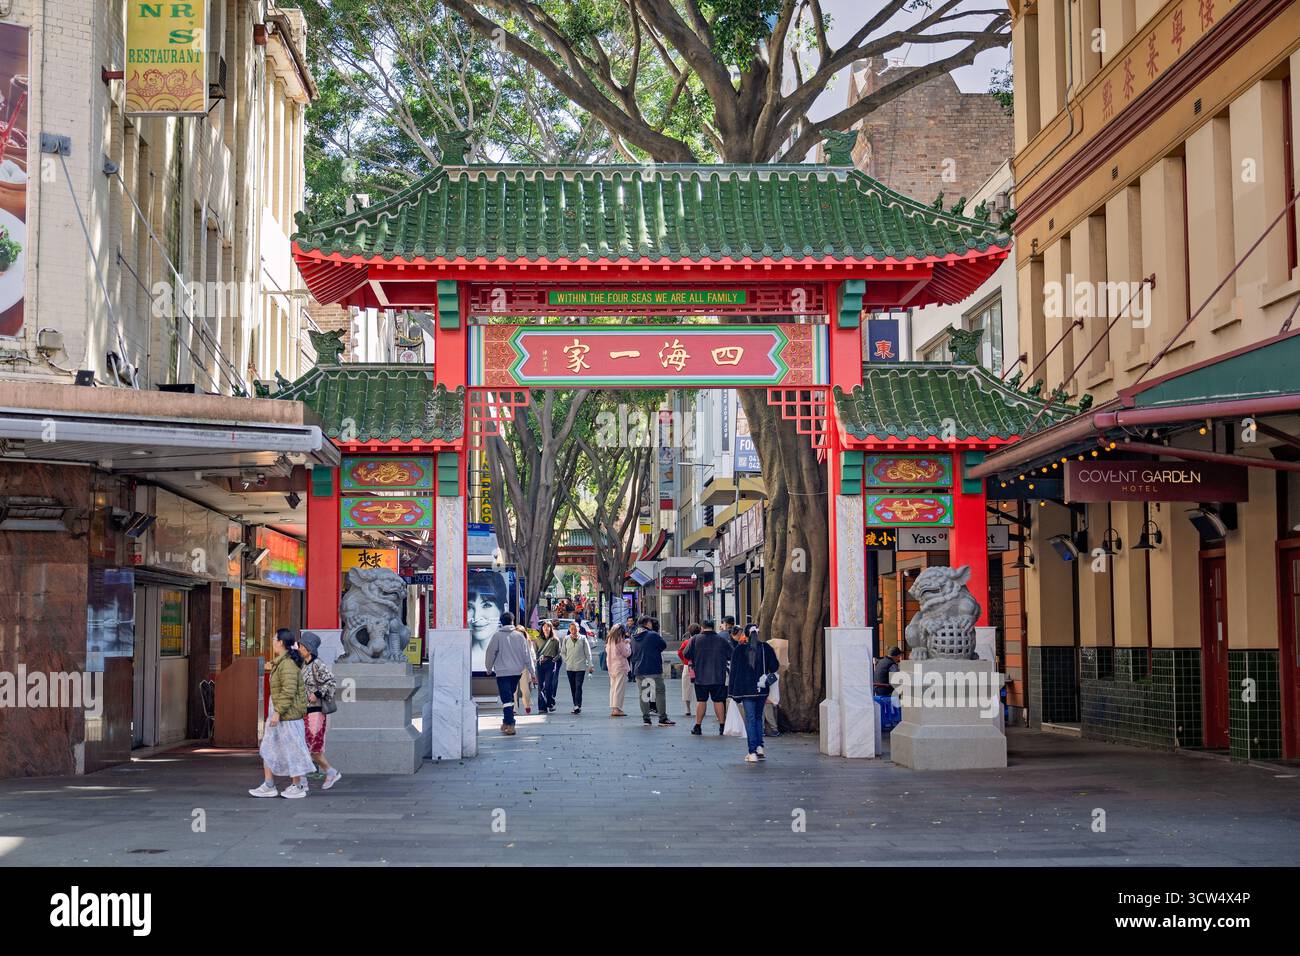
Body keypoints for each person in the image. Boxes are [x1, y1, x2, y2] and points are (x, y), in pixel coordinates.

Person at [248, 629, 315, 798]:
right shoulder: (282, 662)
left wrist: (278, 713)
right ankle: (269, 784)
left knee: (293, 749)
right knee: (268, 748)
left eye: (274, 638)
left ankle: (297, 786)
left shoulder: (287, 664)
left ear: (281, 642)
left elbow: (289, 691)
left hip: (288, 715)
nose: (272, 640)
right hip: (279, 713)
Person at [296, 632, 342, 791]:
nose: (299, 648)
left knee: (309, 747)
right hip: (307, 711)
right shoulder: (305, 664)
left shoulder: (317, 664)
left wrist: (316, 694)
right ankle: (328, 773)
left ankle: (303, 781)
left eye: (302, 646)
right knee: (311, 748)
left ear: (309, 648)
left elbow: (331, 682)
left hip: (315, 712)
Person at [727, 625, 780, 762]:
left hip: (745, 690)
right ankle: (759, 747)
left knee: (750, 719)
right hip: (762, 689)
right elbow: (774, 667)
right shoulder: (766, 648)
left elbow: (734, 672)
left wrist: (732, 692)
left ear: (745, 635)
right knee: (758, 717)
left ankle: (752, 752)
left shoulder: (739, 649)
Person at [484, 612, 536, 736]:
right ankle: (506, 722)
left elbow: (490, 653)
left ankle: (510, 724)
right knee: (509, 698)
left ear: (501, 622)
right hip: (517, 672)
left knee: (506, 699)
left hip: (502, 672)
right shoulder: (520, 636)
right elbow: (527, 655)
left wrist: (489, 668)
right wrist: (532, 672)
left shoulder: (497, 636)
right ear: (512, 621)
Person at [683, 619, 733, 736]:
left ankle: (698, 726)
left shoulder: (695, 639)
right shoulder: (721, 640)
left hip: (700, 676)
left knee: (701, 701)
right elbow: (731, 654)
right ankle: (722, 726)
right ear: (713, 627)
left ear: (702, 627)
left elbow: (686, 654)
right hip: (718, 676)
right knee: (718, 700)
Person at [630, 616, 674, 726]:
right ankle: (662, 718)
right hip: (653, 668)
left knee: (643, 693)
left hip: (639, 669)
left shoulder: (634, 636)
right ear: (647, 623)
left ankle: (646, 718)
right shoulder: (653, 635)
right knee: (659, 692)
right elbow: (663, 645)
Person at [468, 571, 509, 672]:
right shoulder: (460, 653)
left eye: (486, 605)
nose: (477, 616)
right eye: (469, 607)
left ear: (503, 609)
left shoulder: (510, 645)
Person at [562, 621, 594, 714]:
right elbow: (563, 652)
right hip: (570, 667)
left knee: (578, 686)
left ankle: (578, 705)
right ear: (569, 630)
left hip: (580, 667)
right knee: (573, 687)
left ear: (578, 629)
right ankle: (575, 704)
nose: (573, 630)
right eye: (571, 629)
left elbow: (588, 653)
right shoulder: (566, 639)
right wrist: (566, 660)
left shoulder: (583, 638)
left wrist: (590, 665)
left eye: (575, 629)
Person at [534, 620, 562, 713]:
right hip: (540, 664)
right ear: (542, 628)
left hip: (550, 663)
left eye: (548, 627)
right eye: (544, 627)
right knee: (540, 686)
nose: (546, 628)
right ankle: (542, 707)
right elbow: (534, 652)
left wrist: (553, 659)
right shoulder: (537, 639)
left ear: (551, 628)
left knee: (549, 685)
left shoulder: (555, 640)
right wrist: (538, 659)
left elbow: (559, 653)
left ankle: (550, 703)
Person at [605, 623, 632, 716]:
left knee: (613, 688)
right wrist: (628, 644)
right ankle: (617, 709)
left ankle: (613, 708)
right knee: (619, 688)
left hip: (611, 667)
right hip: (620, 667)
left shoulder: (610, 640)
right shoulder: (619, 640)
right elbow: (626, 653)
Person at [513, 625, 537, 715]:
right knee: (513, 690)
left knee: (525, 689)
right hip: (513, 667)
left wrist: (532, 670)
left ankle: (527, 704)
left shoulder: (527, 641)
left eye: (520, 633)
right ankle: (514, 708)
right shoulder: (511, 641)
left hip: (524, 668)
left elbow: (532, 655)